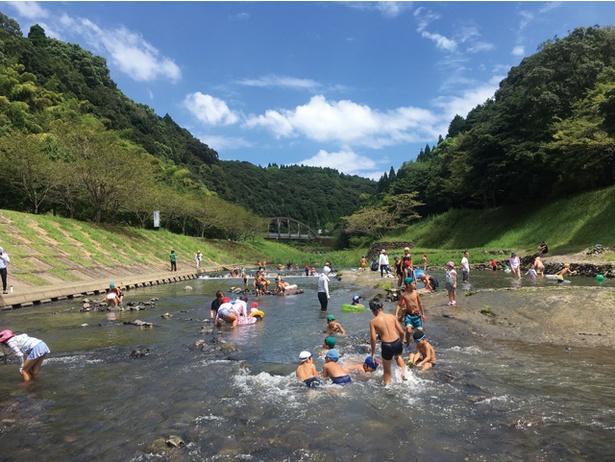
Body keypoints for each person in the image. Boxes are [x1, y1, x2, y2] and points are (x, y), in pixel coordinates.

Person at [368, 298, 407, 385]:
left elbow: (373, 339)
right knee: (397, 356)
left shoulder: (373, 322)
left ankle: (387, 386)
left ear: (372, 311)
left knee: (387, 371)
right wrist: (401, 342)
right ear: (383, 307)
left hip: (386, 345)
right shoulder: (392, 317)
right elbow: (401, 332)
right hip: (396, 342)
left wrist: (373, 353)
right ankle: (404, 375)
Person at [397, 277, 426, 348]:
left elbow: (420, 303)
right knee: (409, 330)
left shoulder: (416, 293)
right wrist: (396, 314)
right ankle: (408, 344)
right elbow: (399, 304)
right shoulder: (404, 295)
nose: (415, 284)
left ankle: (421, 346)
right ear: (408, 285)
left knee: (420, 331)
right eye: (413, 283)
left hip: (417, 315)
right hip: (408, 315)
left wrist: (423, 314)